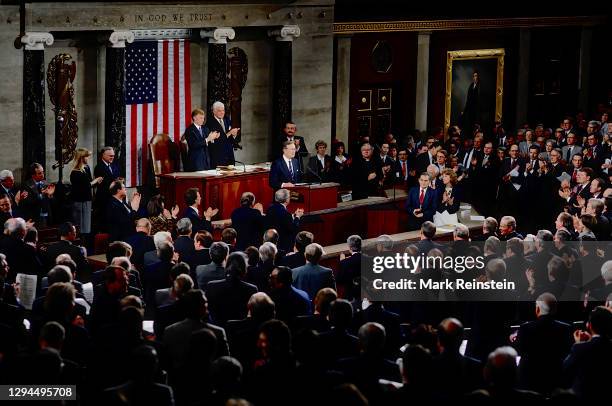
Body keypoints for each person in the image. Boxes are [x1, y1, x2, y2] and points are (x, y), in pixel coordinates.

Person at [70, 148, 103, 237]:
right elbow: (84, 187)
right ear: (81, 158)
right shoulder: (75, 172)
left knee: (87, 226)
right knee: (79, 226)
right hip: (79, 201)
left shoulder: (87, 168)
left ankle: (85, 243)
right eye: (86, 157)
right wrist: (95, 181)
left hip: (87, 199)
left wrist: (96, 182)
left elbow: (90, 183)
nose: (88, 158)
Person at [206, 101, 240, 167]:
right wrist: (229, 133)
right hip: (218, 158)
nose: (222, 112)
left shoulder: (227, 120)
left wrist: (234, 134)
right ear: (214, 111)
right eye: (219, 111)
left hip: (229, 157)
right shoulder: (210, 123)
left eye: (223, 110)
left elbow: (230, 138)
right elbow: (217, 141)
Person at [93, 146, 120, 227]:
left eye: (113, 156)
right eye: (110, 156)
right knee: (104, 222)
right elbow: (104, 184)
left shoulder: (114, 166)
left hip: (113, 198)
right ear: (103, 155)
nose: (112, 157)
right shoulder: (99, 167)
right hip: (104, 199)